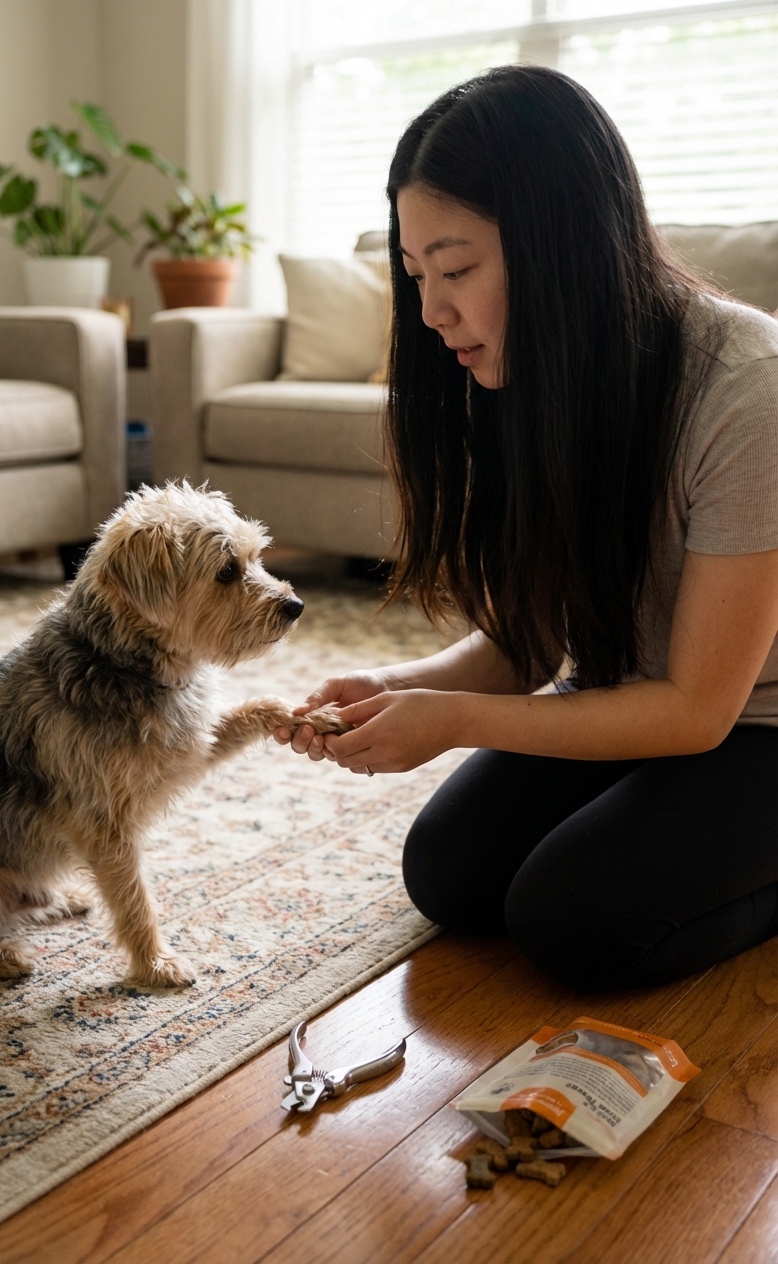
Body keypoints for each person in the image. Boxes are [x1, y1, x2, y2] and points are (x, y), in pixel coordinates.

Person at [275, 65, 778, 991]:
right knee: (451, 874)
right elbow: (532, 640)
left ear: (560, 243)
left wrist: (454, 721)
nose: (432, 313)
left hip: (754, 724)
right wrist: (396, 687)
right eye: (416, 276)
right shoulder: (524, 373)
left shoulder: (748, 388)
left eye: (457, 270)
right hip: (636, 696)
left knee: (576, 919)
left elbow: (699, 710)